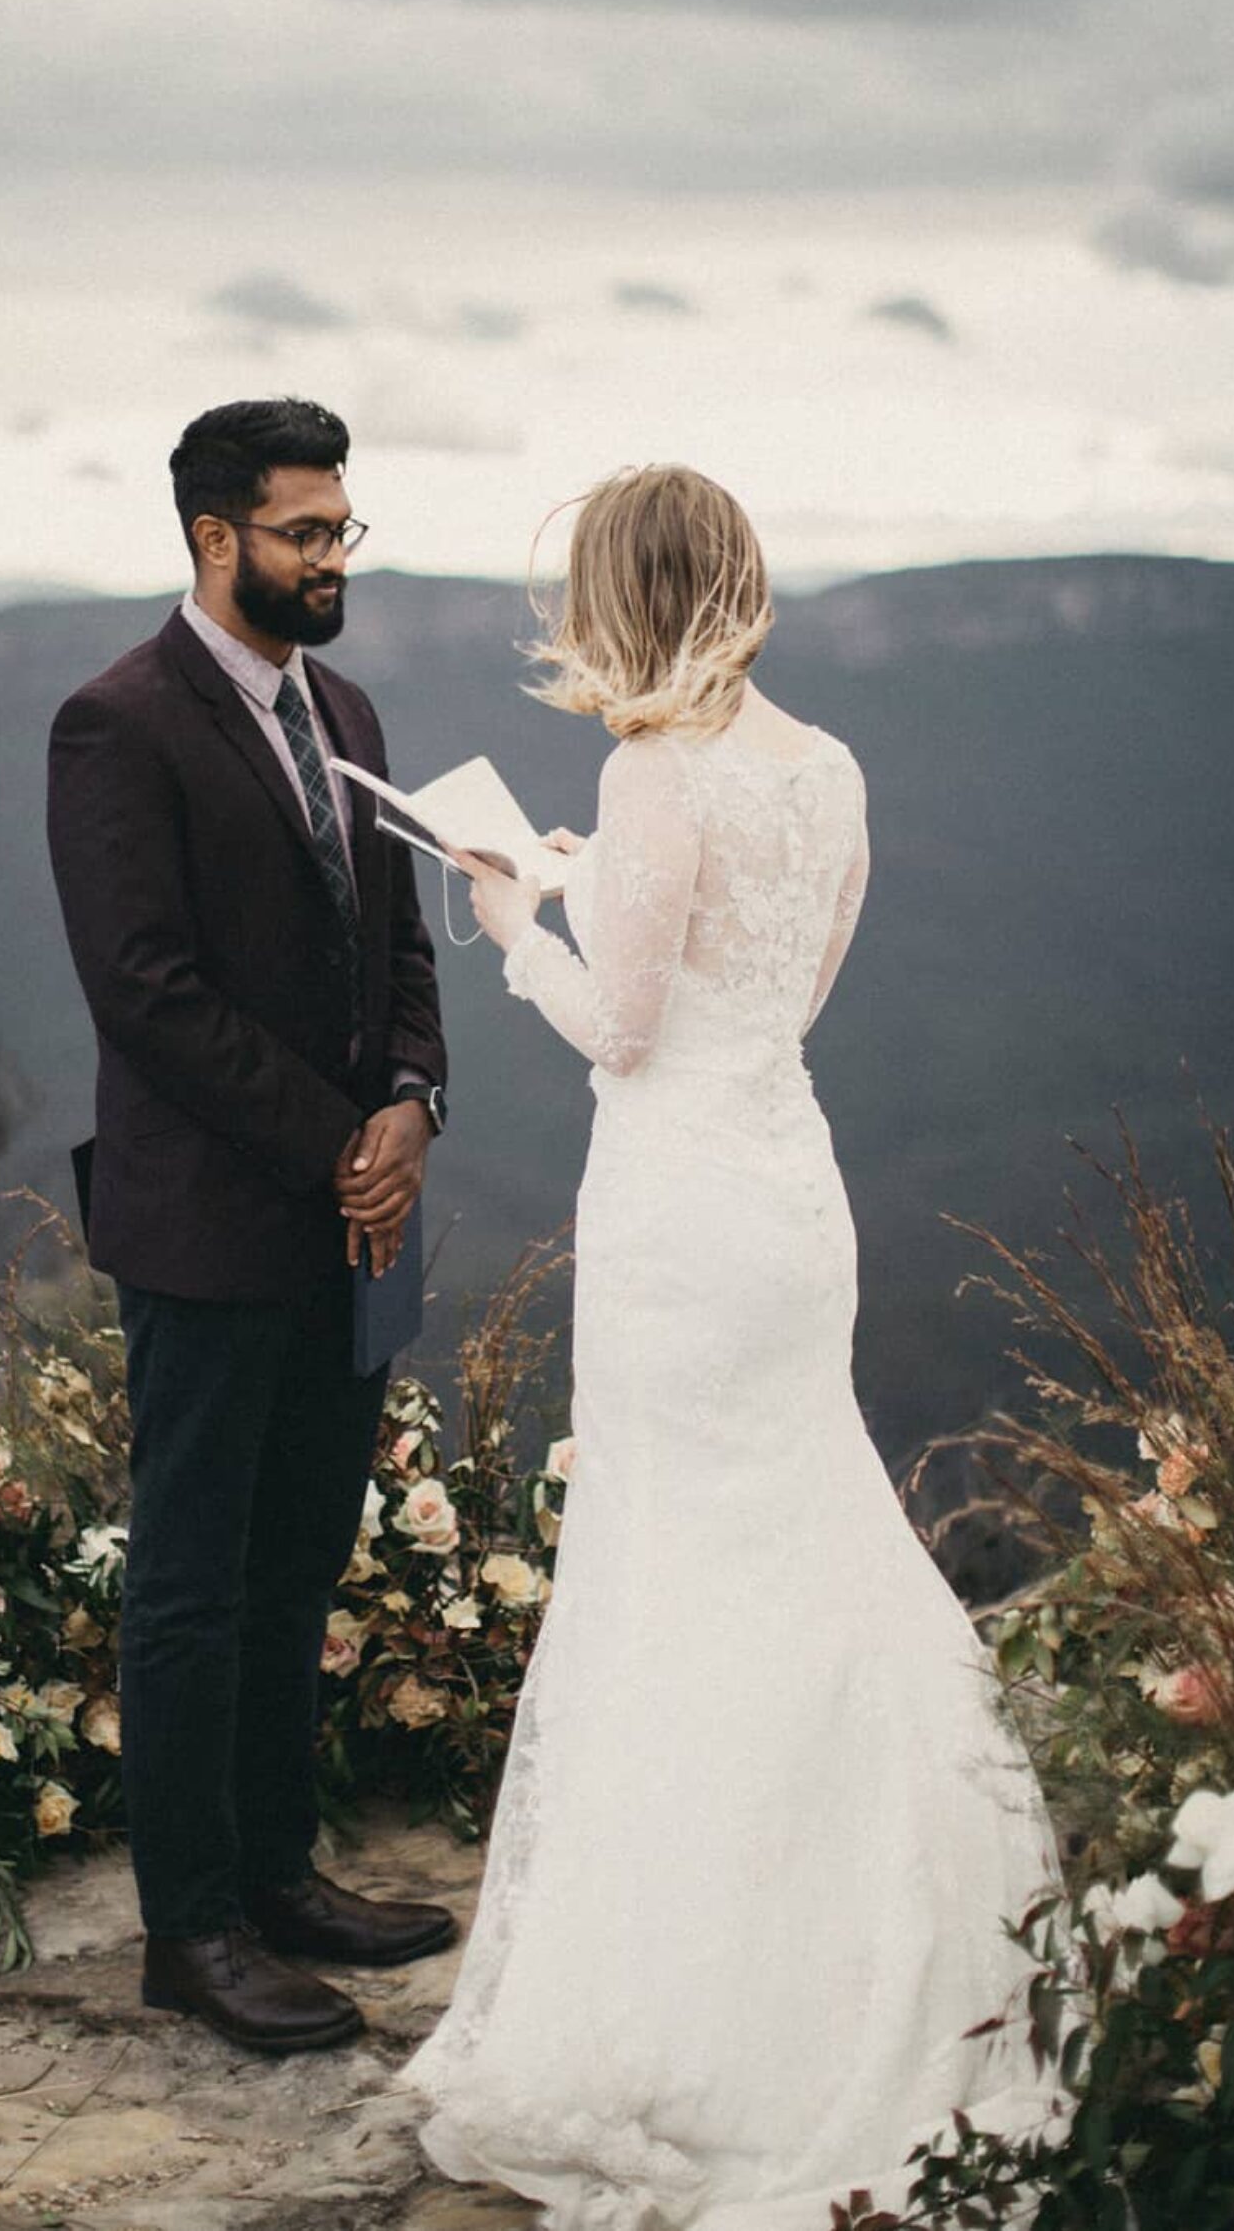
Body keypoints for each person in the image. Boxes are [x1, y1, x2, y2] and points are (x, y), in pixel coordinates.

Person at [400, 464, 1062, 2227]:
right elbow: (780, 993)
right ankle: (876, 1946)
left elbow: (625, 1032)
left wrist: (519, 922)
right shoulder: (825, 767)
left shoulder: (647, 768)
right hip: (790, 1197)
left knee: (669, 1562)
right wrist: (604, 878)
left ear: (621, 600)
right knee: (806, 1528)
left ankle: (692, 1997)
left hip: (677, 1221)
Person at [47, 396, 455, 2055]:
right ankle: (193, 1930)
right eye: (307, 532)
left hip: (348, 1219)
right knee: (194, 1582)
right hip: (213, 1227)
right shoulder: (115, 723)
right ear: (216, 540)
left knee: (300, 1560)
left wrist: (418, 1100)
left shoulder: (342, 703)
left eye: (343, 526)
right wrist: (339, 1145)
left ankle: (283, 1878)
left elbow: (402, 936)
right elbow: (147, 997)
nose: (334, 556)